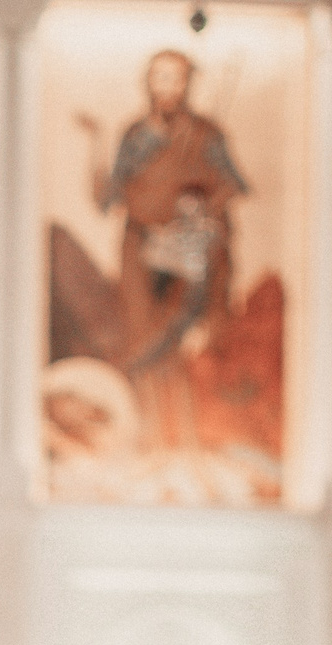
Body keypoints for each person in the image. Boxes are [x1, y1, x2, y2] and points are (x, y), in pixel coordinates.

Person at [76, 50, 247, 452]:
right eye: (160, 78)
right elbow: (111, 194)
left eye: (176, 78)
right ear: (149, 83)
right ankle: (152, 436)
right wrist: (96, 140)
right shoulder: (137, 135)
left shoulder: (206, 134)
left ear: (187, 84)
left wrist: (201, 209)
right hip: (141, 248)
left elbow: (231, 184)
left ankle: (187, 438)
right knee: (142, 342)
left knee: (176, 343)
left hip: (188, 251)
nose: (168, 87)